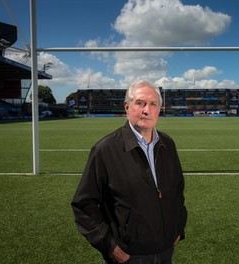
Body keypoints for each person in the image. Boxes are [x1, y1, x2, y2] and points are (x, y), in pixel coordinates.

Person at [71, 80, 187, 264]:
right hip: (128, 256)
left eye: (153, 104)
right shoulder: (105, 149)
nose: (146, 110)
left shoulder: (167, 144)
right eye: (140, 103)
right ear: (127, 106)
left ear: (159, 109)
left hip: (166, 251)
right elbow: (84, 204)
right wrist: (110, 246)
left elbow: (177, 190)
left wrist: (178, 228)